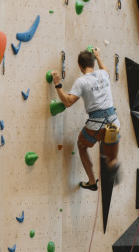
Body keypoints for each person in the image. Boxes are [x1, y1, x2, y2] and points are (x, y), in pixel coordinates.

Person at [51, 47, 121, 190]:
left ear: (79, 66)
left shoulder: (82, 81)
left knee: (82, 146)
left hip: (97, 123)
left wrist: (57, 84)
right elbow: (105, 69)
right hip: (113, 122)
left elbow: (68, 102)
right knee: (111, 158)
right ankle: (113, 165)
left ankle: (91, 181)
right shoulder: (104, 74)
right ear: (94, 63)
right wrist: (98, 56)